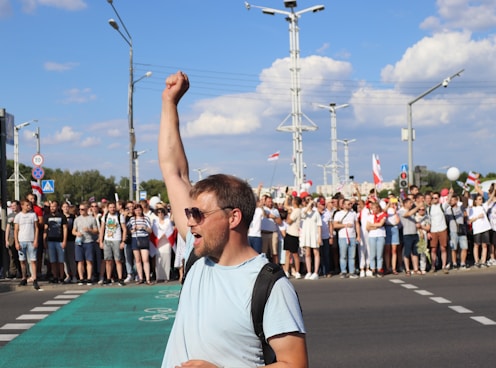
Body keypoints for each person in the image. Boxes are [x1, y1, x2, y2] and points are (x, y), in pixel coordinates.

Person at [159, 71, 307, 367]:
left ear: (233, 217)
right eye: (189, 213)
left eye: (199, 214)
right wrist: (169, 103)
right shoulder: (196, 257)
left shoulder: (269, 285)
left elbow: (295, 364)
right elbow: (173, 170)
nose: (190, 222)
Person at [14, 199, 40, 290]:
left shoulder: (33, 215)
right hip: (22, 240)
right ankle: (24, 277)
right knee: (22, 260)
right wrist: (16, 242)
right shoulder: (18, 216)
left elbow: (36, 228)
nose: (29, 207)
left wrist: (36, 239)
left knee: (33, 260)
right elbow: (16, 230)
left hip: (31, 240)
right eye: (27, 205)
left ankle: (34, 278)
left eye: (30, 205)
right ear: (22, 206)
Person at [99, 202, 127, 286]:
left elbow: (124, 229)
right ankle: (108, 278)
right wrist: (101, 241)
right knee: (108, 260)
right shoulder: (105, 216)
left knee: (118, 260)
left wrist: (123, 241)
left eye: (113, 207)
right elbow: (102, 229)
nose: (112, 209)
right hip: (107, 239)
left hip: (116, 239)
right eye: (110, 207)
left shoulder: (119, 216)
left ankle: (120, 278)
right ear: (108, 208)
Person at [73, 202, 99, 285]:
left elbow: (96, 231)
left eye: (82, 209)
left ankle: (89, 278)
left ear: (87, 209)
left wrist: (89, 230)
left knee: (89, 261)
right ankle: (81, 278)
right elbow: (73, 231)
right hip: (79, 242)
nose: (81, 211)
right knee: (80, 261)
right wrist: (77, 233)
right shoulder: (77, 219)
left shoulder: (92, 219)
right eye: (80, 209)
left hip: (89, 241)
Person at [333, 198, 361, 278]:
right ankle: (343, 271)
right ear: (343, 205)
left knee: (352, 255)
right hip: (343, 237)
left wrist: (358, 235)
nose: (350, 205)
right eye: (348, 204)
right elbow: (335, 225)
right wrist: (345, 225)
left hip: (352, 236)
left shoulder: (353, 213)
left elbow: (357, 225)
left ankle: (352, 271)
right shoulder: (338, 214)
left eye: (350, 204)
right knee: (343, 255)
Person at [127, 204, 153, 284]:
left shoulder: (146, 218)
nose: (138, 212)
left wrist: (144, 227)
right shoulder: (132, 219)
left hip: (144, 238)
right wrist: (133, 229)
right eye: (136, 210)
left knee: (145, 259)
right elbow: (128, 230)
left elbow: (150, 231)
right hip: (135, 238)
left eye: (139, 210)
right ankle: (140, 278)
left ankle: (148, 279)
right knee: (137, 260)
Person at [43, 200, 68, 284]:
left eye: (54, 206)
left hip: (60, 241)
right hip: (50, 241)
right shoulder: (47, 217)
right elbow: (45, 229)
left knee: (61, 260)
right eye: (51, 206)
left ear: (57, 207)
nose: (52, 208)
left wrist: (64, 240)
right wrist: (44, 240)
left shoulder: (62, 217)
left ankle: (61, 276)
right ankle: (55, 276)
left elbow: (65, 229)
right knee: (53, 260)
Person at [300, 196, 322, 280]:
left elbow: (319, 225)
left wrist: (319, 237)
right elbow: (303, 214)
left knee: (316, 253)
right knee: (307, 253)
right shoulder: (303, 211)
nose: (310, 202)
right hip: (306, 235)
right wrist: (308, 204)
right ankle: (309, 271)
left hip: (314, 235)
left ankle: (316, 272)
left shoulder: (316, 213)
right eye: (307, 200)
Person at [427, 191, 449, 273]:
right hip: (433, 230)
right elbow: (428, 221)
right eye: (433, 198)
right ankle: (433, 266)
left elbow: (449, 201)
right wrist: (428, 232)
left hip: (442, 229)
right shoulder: (429, 209)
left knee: (443, 248)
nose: (434, 199)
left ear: (439, 198)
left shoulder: (442, 206)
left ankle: (444, 266)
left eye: (436, 198)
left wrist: (450, 194)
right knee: (433, 249)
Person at [445, 193, 469, 269]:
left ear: (456, 200)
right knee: (454, 248)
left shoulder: (461, 208)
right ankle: (454, 263)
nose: (451, 201)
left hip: (462, 230)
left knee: (464, 247)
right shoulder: (448, 210)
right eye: (450, 200)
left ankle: (462, 263)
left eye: (453, 200)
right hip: (453, 231)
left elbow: (465, 202)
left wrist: (463, 193)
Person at [468, 194, 491, 268]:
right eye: (479, 199)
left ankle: (483, 261)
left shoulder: (483, 206)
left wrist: (494, 191)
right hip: (477, 229)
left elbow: (489, 200)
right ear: (476, 201)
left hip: (485, 228)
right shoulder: (472, 209)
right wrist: (478, 217)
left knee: (484, 245)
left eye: (481, 199)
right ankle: (476, 261)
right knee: (476, 245)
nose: (481, 200)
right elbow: (470, 220)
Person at [399, 198, 421, 275]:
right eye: (410, 203)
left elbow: (415, 220)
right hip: (407, 234)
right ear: (405, 204)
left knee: (415, 252)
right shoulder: (401, 211)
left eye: (412, 203)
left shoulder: (413, 212)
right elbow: (407, 214)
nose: (411, 204)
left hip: (414, 233)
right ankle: (407, 269)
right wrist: (418, 207)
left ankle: (416, 269)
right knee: (407, 253)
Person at [152, 205, 174, 282]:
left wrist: (164, 235)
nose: (160, 214)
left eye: (162, 212)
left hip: (166, 242)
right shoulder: (155, 222)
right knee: (159, 259)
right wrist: (159, 237)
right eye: (158, 212)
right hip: (159, 243)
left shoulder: (168, 221)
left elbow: (170, 231)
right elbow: (155, 232)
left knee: (167, 258)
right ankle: (158, 277)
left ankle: (166, 277)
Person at [4, 200, 21, 279]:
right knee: (12, 255)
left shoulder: (21, 214)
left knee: (20, 255)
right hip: (11, 236)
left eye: (14, 205)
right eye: (12, 206)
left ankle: (21, 271)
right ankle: (13, 271)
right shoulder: (10, 215)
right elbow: (7, 228)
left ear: (18, 206)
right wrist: (6, 240)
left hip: (20, 236)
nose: (13, 207)